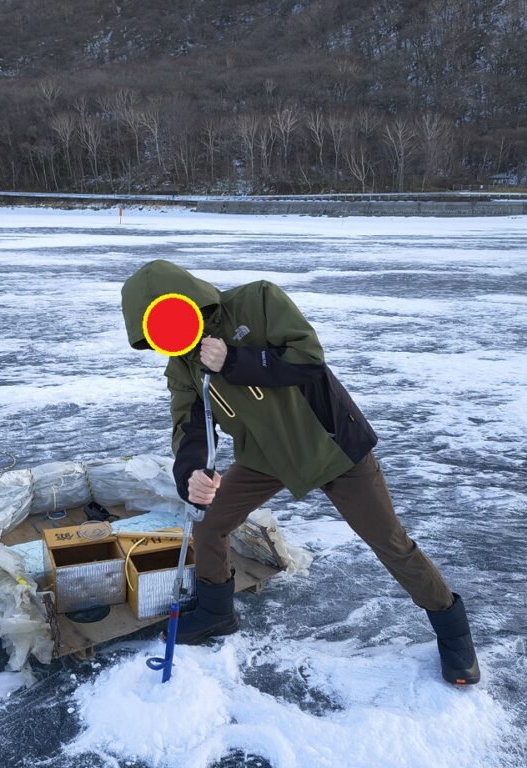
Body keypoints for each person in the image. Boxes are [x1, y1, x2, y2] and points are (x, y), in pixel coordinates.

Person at [120, 259, 480, 685]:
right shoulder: (182, 366)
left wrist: (234, 360)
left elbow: (308, 359)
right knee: (209, 524)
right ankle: (217, 611)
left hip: (331, 446)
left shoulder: (257, 301)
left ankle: (453, 630)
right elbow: (189, 425)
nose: (171, 339)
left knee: (390, 543)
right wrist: (192, 471)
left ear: (190, 301)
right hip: (264, 457)